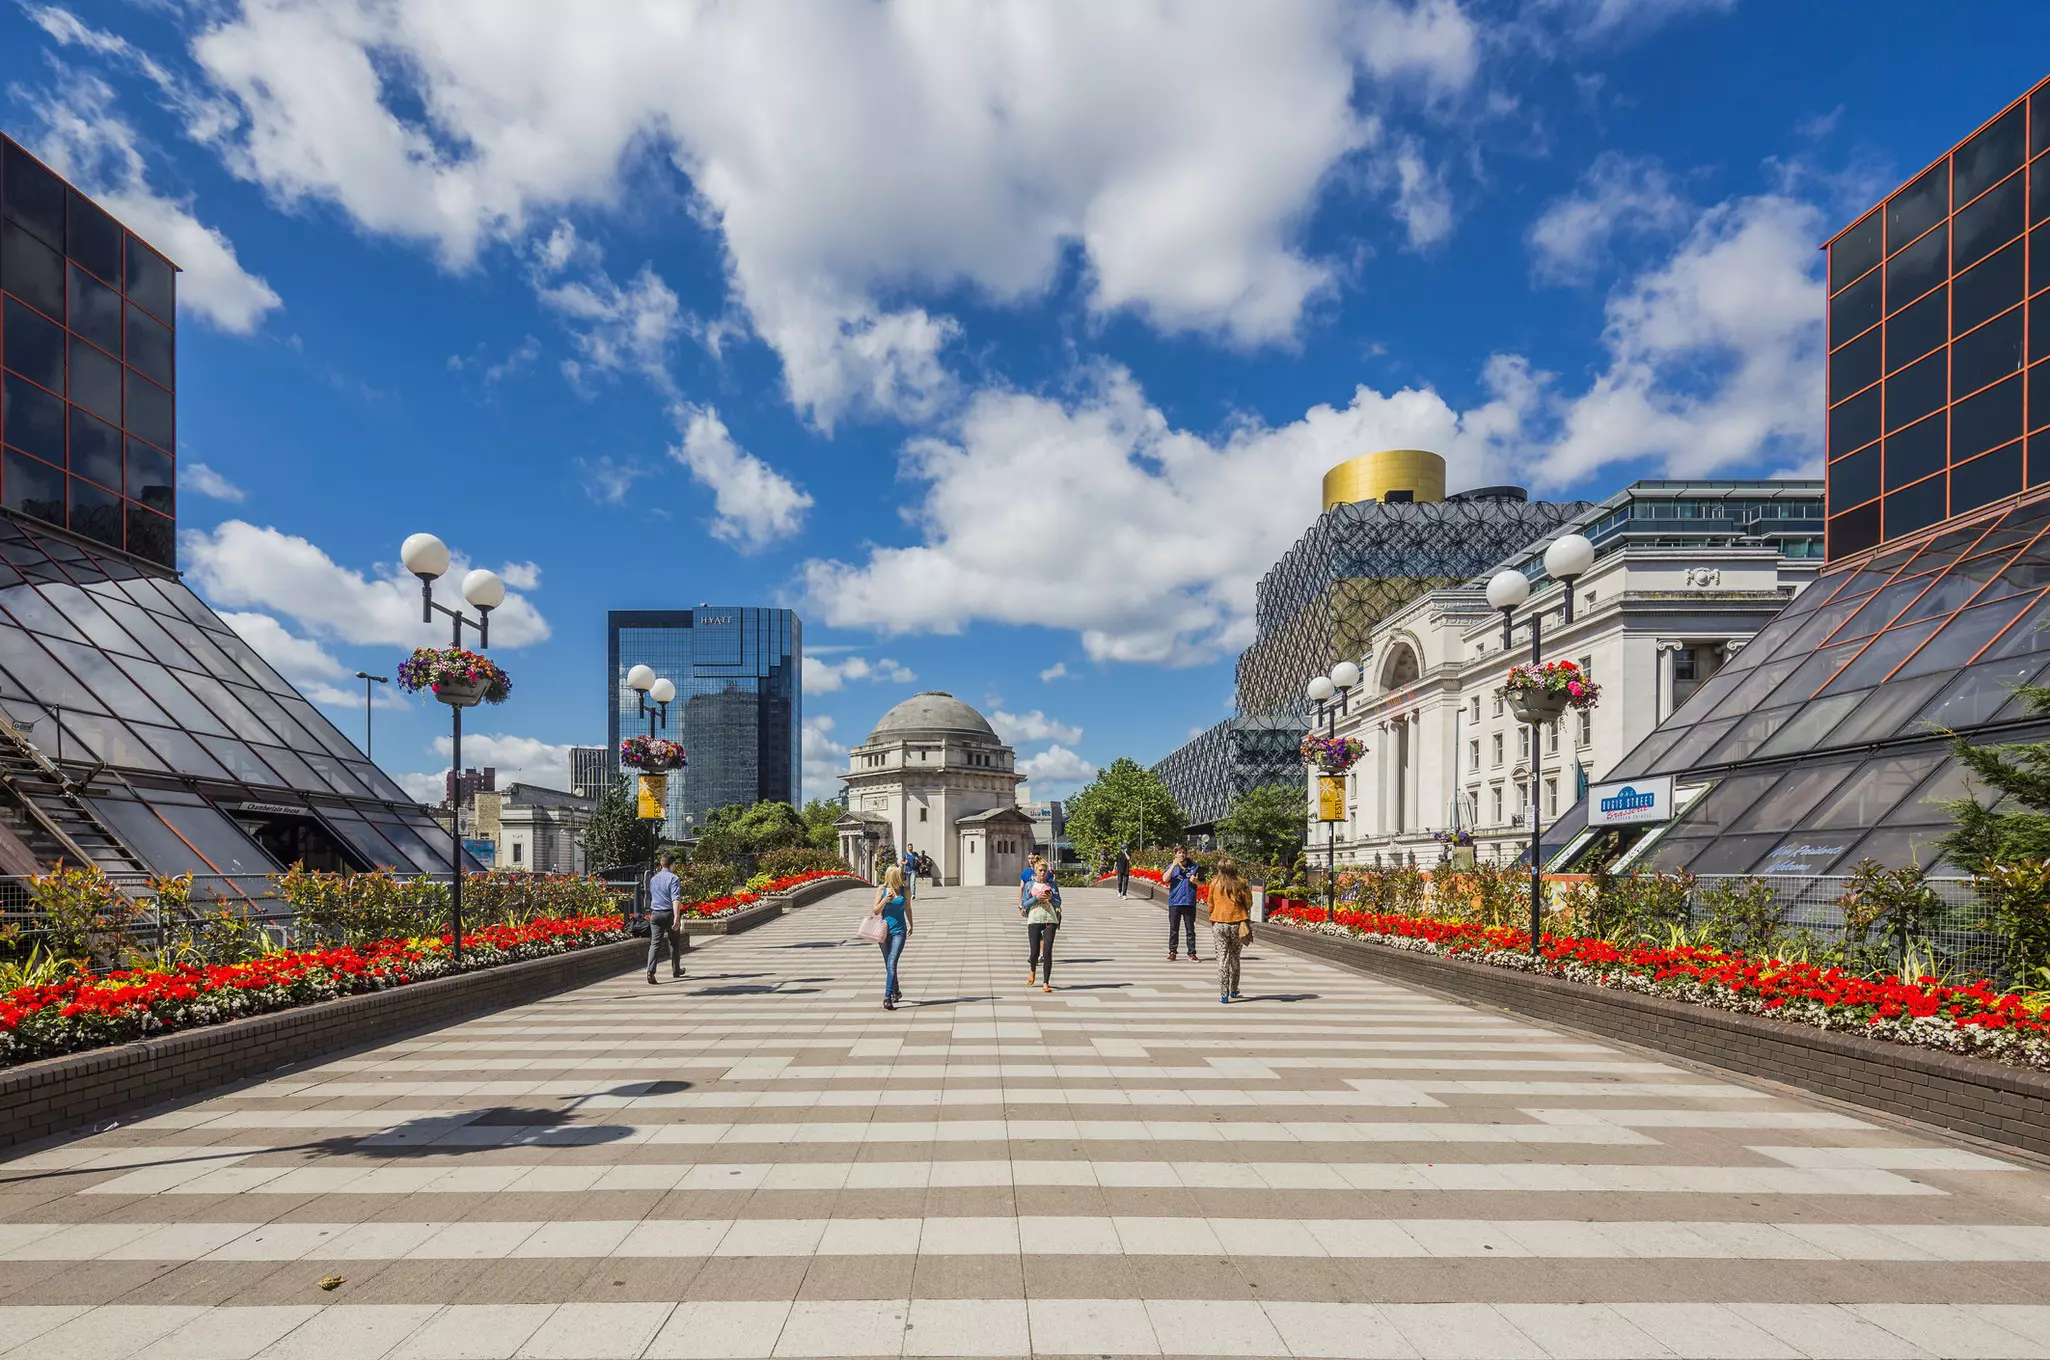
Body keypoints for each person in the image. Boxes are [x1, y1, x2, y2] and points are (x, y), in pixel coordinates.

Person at [1204, 855, 1253, 1004]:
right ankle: (1234, 989)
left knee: (1222, 957)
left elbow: (1210, 904)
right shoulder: (1241, 883)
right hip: (1238, 923)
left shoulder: (1214, 883)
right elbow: (1249, 903)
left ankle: (1223, 994)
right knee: (1234, 957)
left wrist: (1213, 917)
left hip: (1219, 922)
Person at [871, 865, 912, 1009]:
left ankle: (887, 997)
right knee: (889, 964)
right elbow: (875, 911)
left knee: (892, 962)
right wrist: (884, 901)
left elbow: (908, 908)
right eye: (899, 874)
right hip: (883, 932)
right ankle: (896, 990)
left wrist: (911, 924)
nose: (902, 876)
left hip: (899, 931)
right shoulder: (882, 890)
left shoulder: (904, 890)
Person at [645, 852, 685, 984]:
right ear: (672, 864)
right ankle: (676, 970)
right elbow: (675, 899)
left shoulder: (653, 879)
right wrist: (676, 918)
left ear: (661, 864)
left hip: (655, 914)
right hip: (668, 913)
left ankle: (650, 971)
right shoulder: (673, 878)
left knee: (655, 944)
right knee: (674, 942)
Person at [1021, 864, 1062, 992]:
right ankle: (1032, 969)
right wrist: (1035, 898)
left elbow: (1059, 902)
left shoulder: (1052, 885)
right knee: (1034, 953)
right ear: (1036, 871)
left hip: (1050, 919)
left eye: (1045, 871)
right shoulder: (1029, 885)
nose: (1043, 873)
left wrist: (1051, 898)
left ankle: (1046, 982)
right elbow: (1024, 903)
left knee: (1047, 952)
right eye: (1041, 870)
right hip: (1034, 919)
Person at [1164, 847, 1200, 962]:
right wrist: (1173, 866)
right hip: (1175, 902)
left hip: (1189, 902)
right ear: (1175, 854)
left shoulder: (1194, 867)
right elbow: (1165, 879)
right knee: (1174, 928)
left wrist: (1196, 881)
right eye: (1179, 853)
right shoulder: (1171, 867)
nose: (1181, 855)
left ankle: (1192, 952)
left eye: (1183, 852)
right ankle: (1172, 951)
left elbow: (1203, 883)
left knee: (1190, 929)